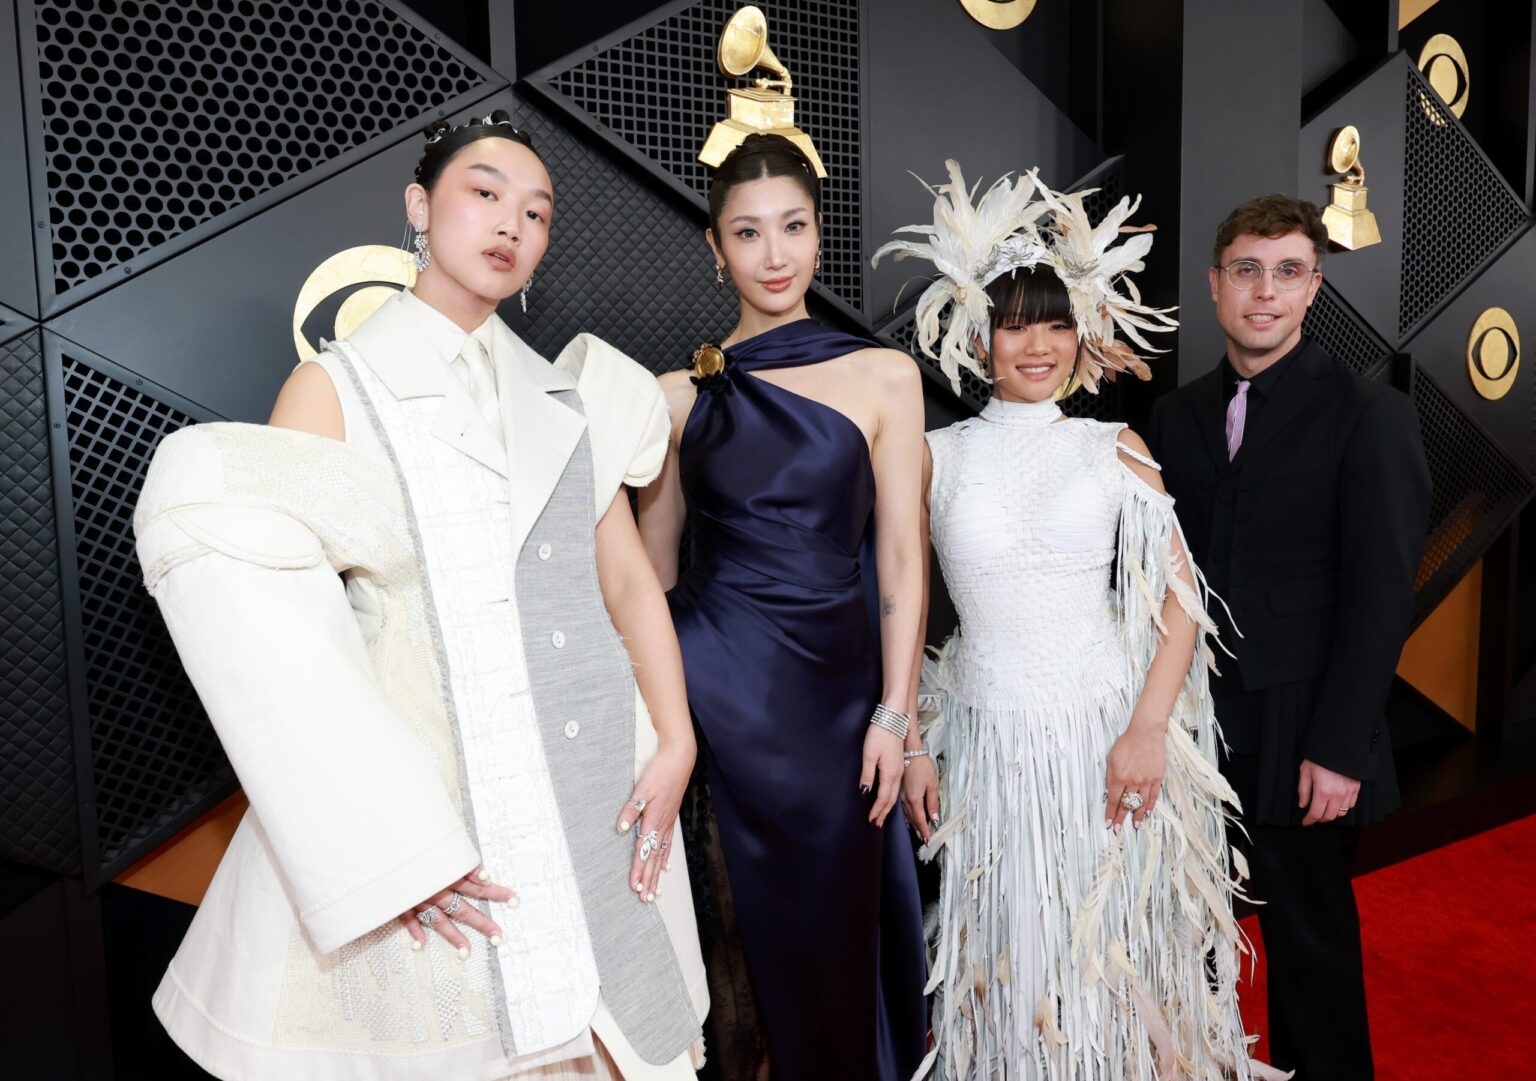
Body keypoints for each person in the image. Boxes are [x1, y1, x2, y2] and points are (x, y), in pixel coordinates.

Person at [133, 111, 709, 1080]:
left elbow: (621, 578)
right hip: (431, 814)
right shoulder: (335, 389)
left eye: (536, 210)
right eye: (483, 193)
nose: (511, 224)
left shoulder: (565, 396)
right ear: (418, 208)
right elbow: (288, 643)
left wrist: (680, 734)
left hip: (591, 791)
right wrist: (384, 842)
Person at [876, 162, 1287, 1079]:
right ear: (979, 334)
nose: (1037, 346)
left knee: (1118, 957)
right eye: (1016, 323)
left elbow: (1183, 602)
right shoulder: (931, 455)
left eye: (1056, 324)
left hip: (1109, 744)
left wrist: (1147, 730)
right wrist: (907, 744)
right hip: (985, 747)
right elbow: (896, 597)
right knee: (1012, 960)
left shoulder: (1117, 447)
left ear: (1082, 333)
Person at [635, 133, 927, 1081]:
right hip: (713, 700)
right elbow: (651, 571)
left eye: (792, 227)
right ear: (715, 249)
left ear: (817, 233)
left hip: (841, 707)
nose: (774, 254)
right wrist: (656, 723)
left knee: (834, 936)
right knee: (729, 942)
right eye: (748, 232)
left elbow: (899, 559)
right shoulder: (677, 396)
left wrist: (897, 711)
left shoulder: (884, 375)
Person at [1146, 193, 1431, 1080]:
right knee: (1182, 938)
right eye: (1246, 271)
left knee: (1310, 954)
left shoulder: (1368, 413)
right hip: (1192, 729)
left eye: (1287, 272)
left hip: (1306, 730)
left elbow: (1383, 591)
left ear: (1313, 289)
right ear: (1216, 283)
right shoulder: (1172, 416)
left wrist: (1340, 748)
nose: (1264, 292)